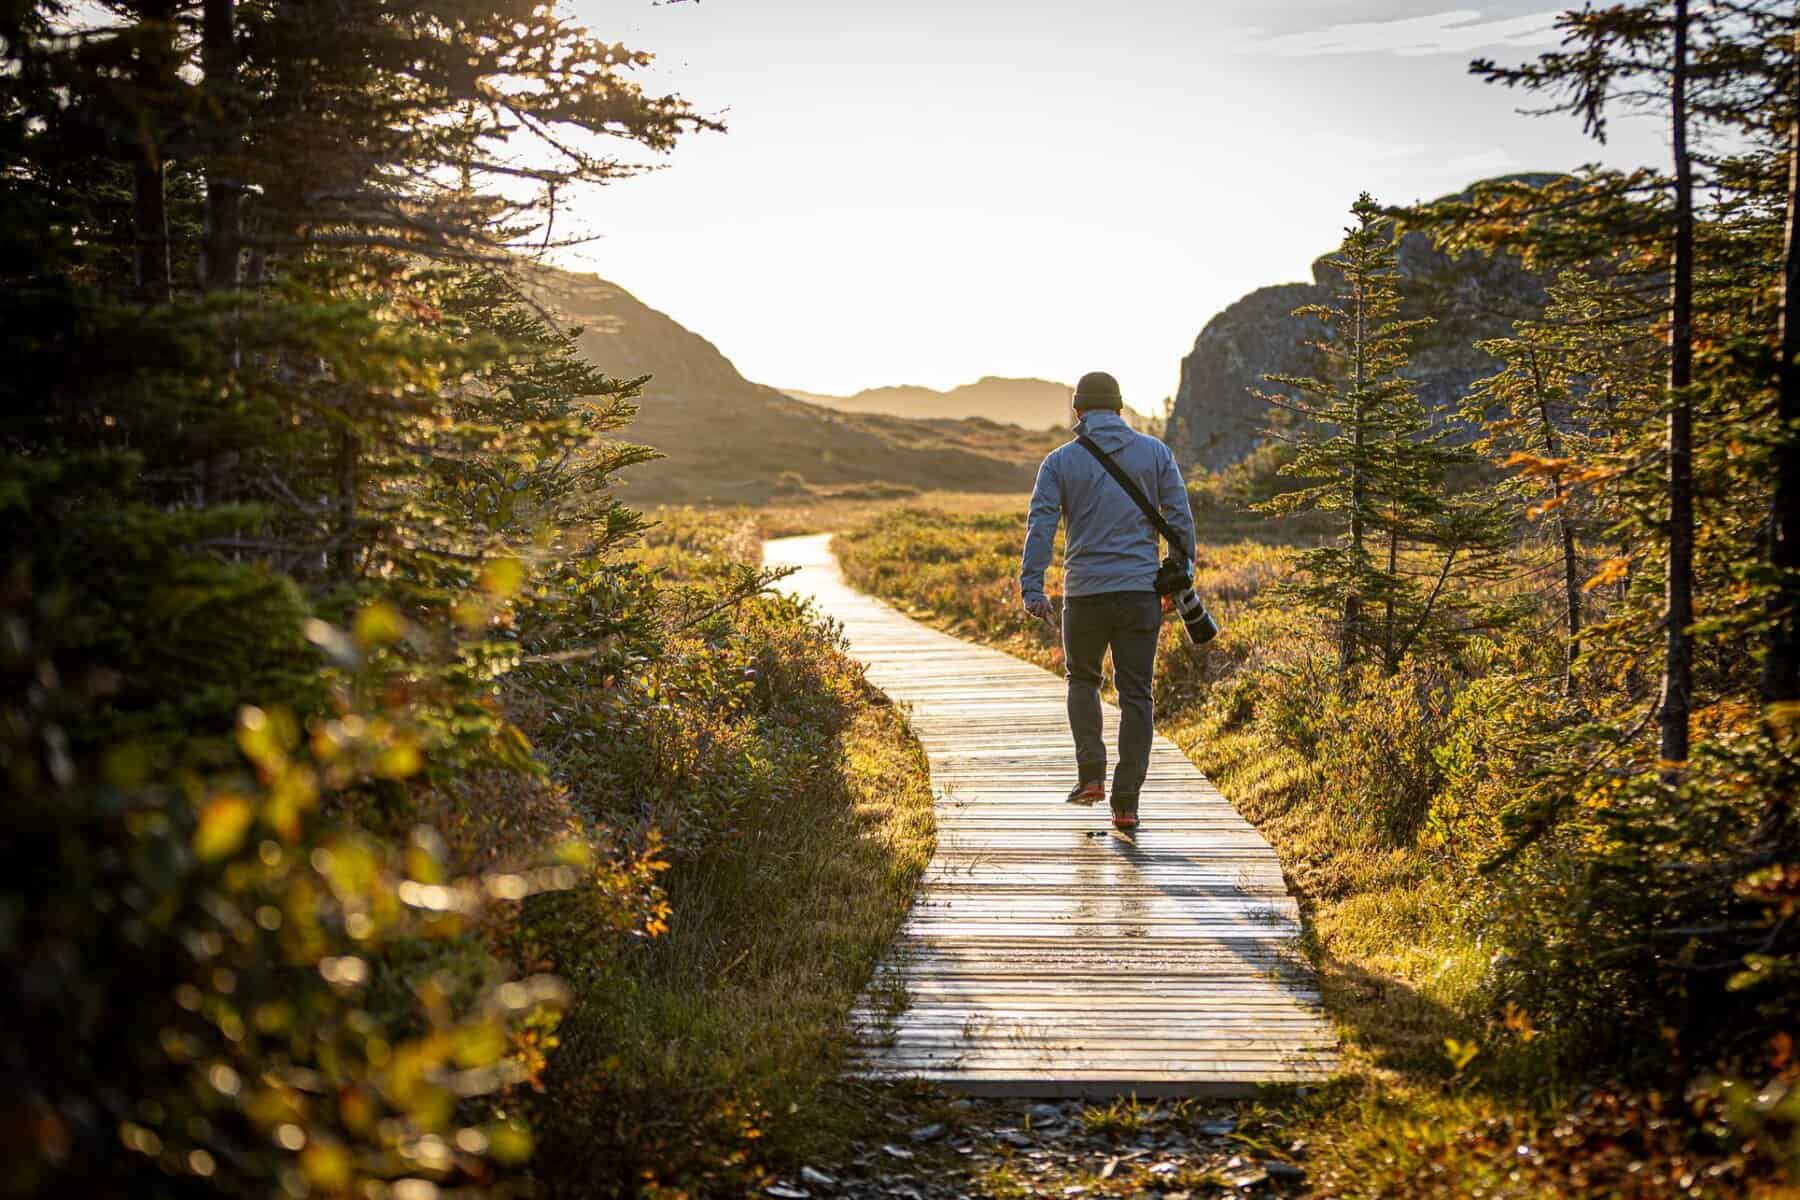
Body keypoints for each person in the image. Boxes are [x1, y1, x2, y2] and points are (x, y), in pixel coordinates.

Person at [1019, 371, 1195, 833]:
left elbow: (1041, 526)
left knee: (1083, 680)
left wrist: (1032, 587)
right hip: (1140, 593)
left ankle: (1091, 776)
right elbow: (1180, 519)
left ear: (1078, 411)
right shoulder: (1156, 453)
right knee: (1137, 695)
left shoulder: (1059, 462)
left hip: (1085, 594)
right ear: (1119, 408)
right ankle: (1126, 804)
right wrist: (1179, 575)